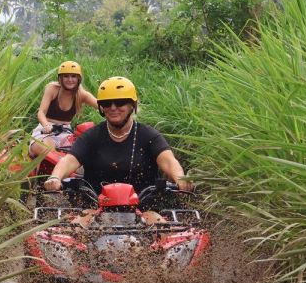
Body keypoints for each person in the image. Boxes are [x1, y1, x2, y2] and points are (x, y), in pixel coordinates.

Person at [43, 76, 194, 194]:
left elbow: (168, 161)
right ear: (102, 108)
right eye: (107, 104)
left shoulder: (149, 136)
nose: (113, 108)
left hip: (144, 208)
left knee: (161, 226)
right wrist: (55, 177)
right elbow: (69, 160)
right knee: (75, 228)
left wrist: (180, 178)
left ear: (131, 106)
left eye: (120, 102)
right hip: (95, 207)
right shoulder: (91, 136)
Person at [30, 60, 98, 157]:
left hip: (65, 132)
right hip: (46, 130)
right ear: (60, 78)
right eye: (66, 76)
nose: (70, 79)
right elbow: (41, 112)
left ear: (78, 78)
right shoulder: (52, 89)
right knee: (49, 152)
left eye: (73, 76)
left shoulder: (81, 94)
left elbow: (102, 107)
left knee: (78, 155)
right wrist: (46, 125)